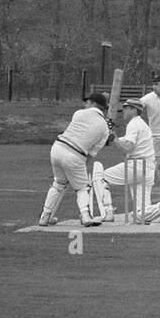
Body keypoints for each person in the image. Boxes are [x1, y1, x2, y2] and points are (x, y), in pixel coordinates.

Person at [39, 92, 113, 227]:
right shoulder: (104, 129)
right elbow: (92, 153)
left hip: (57, 148)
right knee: (82, 188)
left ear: (94, 103)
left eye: (88, 102)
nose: (85, 104)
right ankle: (85, 216)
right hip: (75, 155)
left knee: (58, 184)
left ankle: (45, 216)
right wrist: (79, 168)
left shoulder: (78, 113)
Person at [93, 100, 160, 224]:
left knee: (100, 177)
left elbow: (127, 147)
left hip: (136, 166)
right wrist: (110, 136)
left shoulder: (133, 124)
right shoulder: (142, 125)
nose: (123, 111)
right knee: (139, 213)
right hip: (148, 169)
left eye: (126, 108)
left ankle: (107, 212)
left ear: (134, 110)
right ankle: (159, 207)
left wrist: (114, 138)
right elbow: (122, 141)